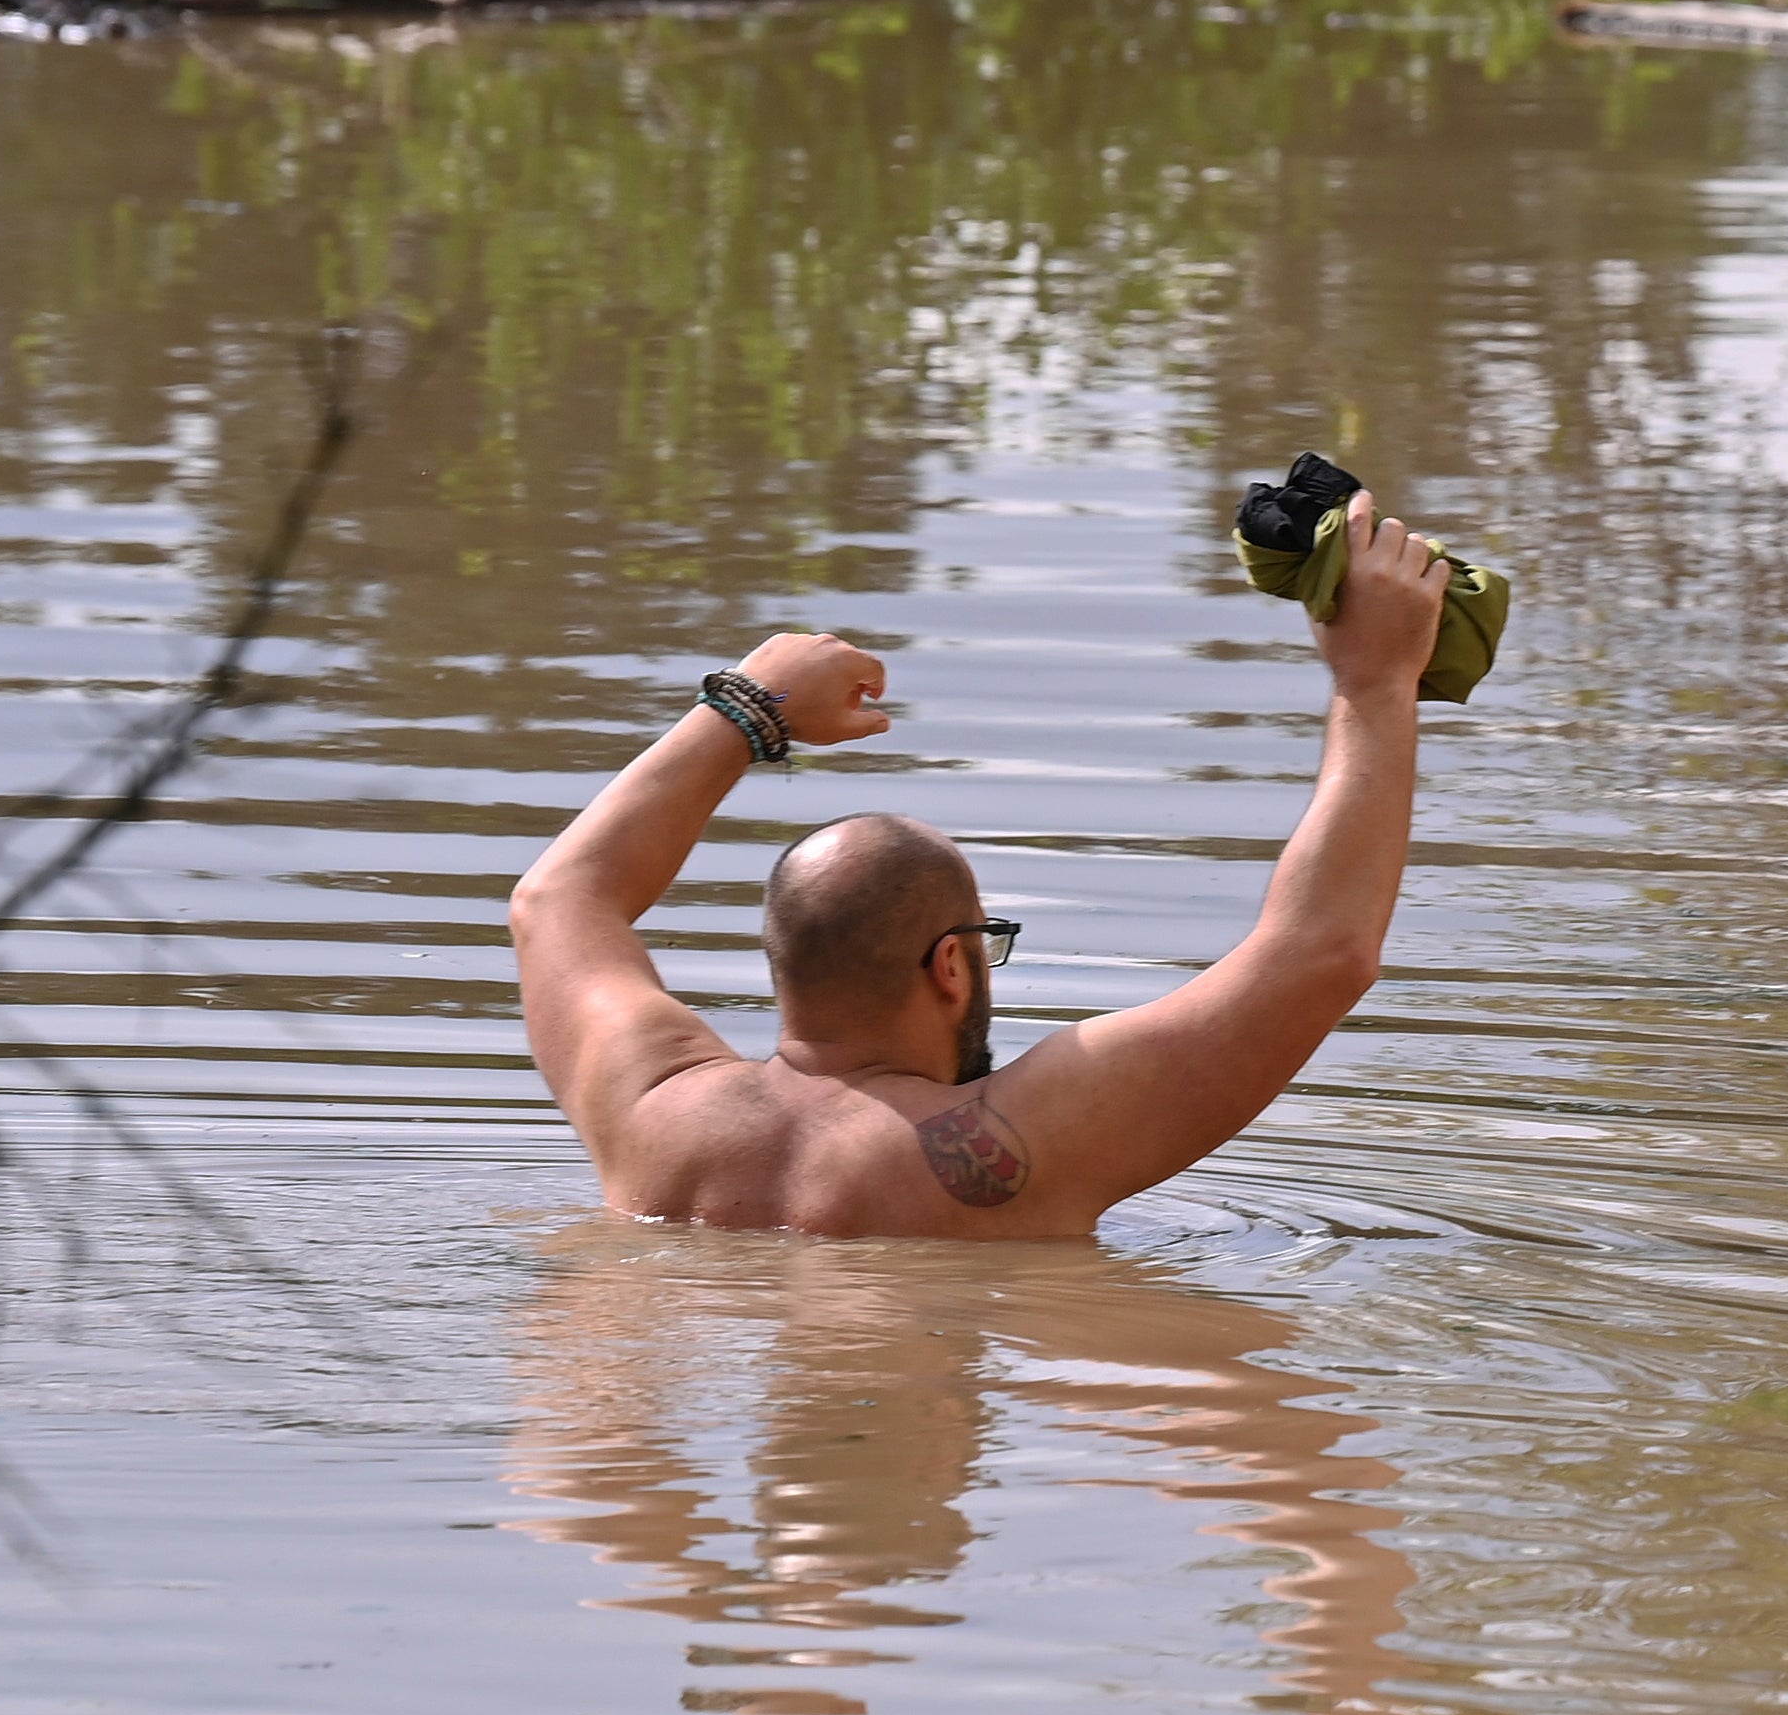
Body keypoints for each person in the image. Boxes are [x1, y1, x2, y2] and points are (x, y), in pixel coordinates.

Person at [508, 502, 1452, 1240]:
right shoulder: (1026, 1139)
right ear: (951, 965)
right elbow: (1318, 952)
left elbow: (560, 897)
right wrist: (1374, 681)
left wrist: (748, 709)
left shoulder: (648, 1108)